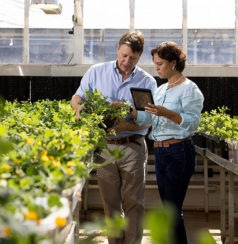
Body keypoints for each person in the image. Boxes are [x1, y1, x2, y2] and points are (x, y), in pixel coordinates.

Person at [71, 31, 157, 244]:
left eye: (133, 58)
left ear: (140, 57)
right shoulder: (96, 72)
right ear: (117, 49)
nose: (127, 62)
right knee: (110, 204)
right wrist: (79, 109)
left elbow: (148, 120)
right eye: (124, 55)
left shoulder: (146, 82)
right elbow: (78, 96)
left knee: (134, 203)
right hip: (105, 148)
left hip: (133, 148)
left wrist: (122, 126)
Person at [130, 41, 204, 244]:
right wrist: (132, 112)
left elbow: (191, 124)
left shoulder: (190, 89)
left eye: (160, 64)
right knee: (169, 208)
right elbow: (149, 120)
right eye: (155, 63)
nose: (157, 68)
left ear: (173, 63)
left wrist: (166, 113)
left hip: (179, 152)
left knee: (172, 210)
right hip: (161, 152)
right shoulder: (161, 90)